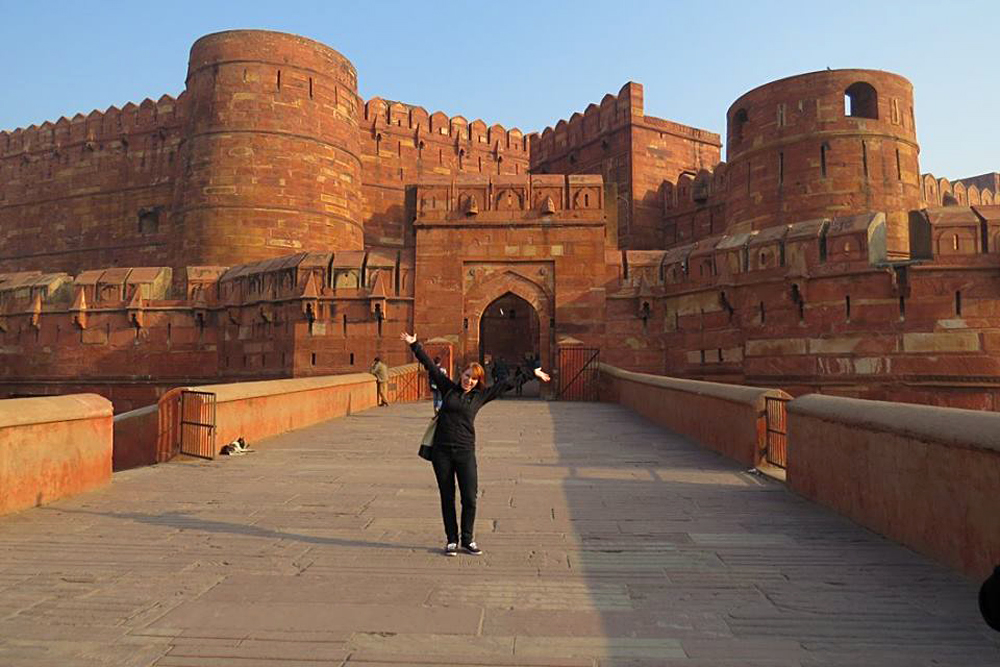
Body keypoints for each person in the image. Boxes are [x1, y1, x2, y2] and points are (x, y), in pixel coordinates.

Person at [402, 331, 550, 556]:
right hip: (442, 451)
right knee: (447, 496)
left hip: (464, 452)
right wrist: (415, 346)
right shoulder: (448, 388)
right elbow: (431, 367)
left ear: (478, 381)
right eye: (466, 375)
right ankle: (452, 539)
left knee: (469, 497)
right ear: (461, 374)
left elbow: (506, 385)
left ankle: (468, 540)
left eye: (473, 378)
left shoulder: (480, 397)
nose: (468, 380)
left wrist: (532, 373)